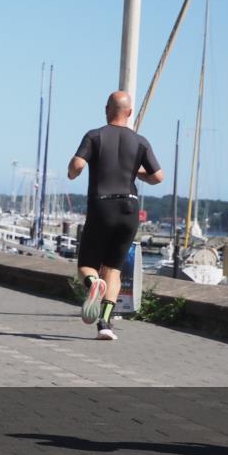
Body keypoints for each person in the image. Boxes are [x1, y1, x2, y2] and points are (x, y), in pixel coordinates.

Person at [68, 91, 163, 341]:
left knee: (86, 265)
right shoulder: (140, 141)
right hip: (129, 208)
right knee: (114, 270)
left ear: (106, 109)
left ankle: (93, 285)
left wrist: (72, 172)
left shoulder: (94, 136)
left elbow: (77, 165)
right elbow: (158, 177)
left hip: (102, 206)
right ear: (129, 113)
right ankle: (105, 325)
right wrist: (136, 172)